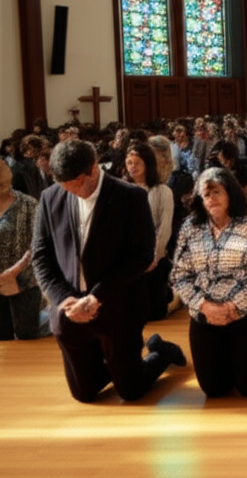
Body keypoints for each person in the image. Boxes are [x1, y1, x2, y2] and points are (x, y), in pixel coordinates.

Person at [31, 140, 185, 402]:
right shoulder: (50, 197)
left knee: (131, 390)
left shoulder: (131, 197)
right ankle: (115, 366)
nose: (69, 192)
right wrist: (63, 299)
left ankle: (162, 353)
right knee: (85, 393)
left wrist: (98, 295)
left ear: (92, 170)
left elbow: (141, 256)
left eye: (74, 185)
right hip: (71, 309)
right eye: (63, 186)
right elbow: (41, 256)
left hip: (118, 303)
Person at [171, 168, 247, 397]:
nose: (211, 199)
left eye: (216, 192)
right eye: (206, 194)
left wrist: (232, 306)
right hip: (204, 314)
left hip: (246, 313)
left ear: (230, 193)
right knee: (214, 389)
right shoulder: (191, 227)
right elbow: (179, 275)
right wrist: (204, 306)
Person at [123, 141, 175, 323]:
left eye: (137, 163)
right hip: (129, 259)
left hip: (154, 258)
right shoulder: (121, 191)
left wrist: (154, 257)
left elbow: (164, 227)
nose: (133, 167)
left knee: (155, 313)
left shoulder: (162, 191)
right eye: (129, 163)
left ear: (147, 164)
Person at [0, 162, 45, 340]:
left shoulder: (29, 205)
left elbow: (38, 244)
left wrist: (15, 270)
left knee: (27, 336)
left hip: (24, 282)